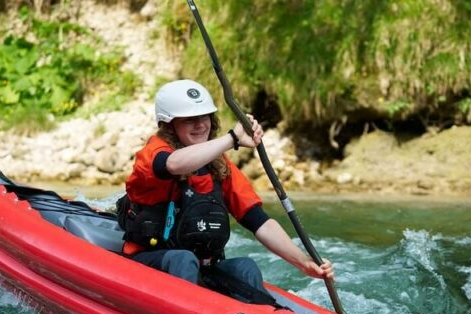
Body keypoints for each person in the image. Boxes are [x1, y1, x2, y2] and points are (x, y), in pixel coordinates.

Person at [121, 79, 333, 295]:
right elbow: (174, 164)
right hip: (151, 262)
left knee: (245, 266)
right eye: (189, 119)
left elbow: (260, 223)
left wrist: (303, 263)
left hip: (204, 268)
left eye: (204, 117)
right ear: (169, 125)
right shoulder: (153, 154)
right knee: (183, 260)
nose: (200, 124)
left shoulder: (219, 166)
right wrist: (233, 138)